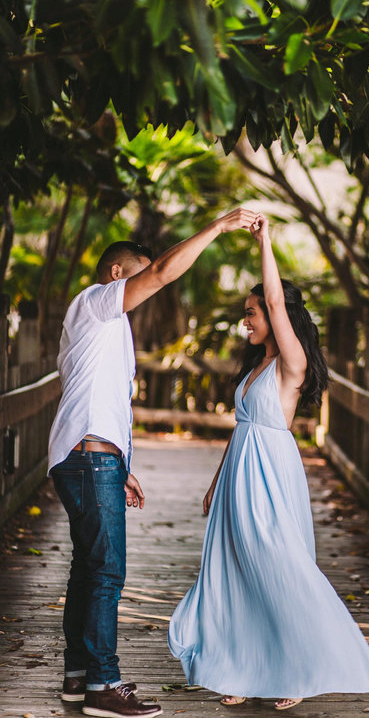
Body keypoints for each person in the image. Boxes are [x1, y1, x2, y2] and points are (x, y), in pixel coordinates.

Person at [168, 215, 369, 710]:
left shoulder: (292, 362)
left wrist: (265, 242)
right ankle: (242, 669)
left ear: (276, 313)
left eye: (254, 311)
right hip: (238, 476)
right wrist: (216, 481)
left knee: (278, 564)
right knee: (236, 569)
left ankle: (301, 669)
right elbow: (240, 428)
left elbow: (274, 299)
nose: (247, 319)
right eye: (246, 312)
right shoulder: (254, 366)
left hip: (271, 473)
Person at [48, 208, 257, 718]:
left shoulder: (104, 325)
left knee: (87, 568)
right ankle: (103, 684)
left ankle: (79, 677)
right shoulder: (97, 304)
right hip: (88, 459)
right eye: (140, 276)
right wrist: (218, 226)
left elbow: (102, 400)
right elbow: (163, 271)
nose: (151, 286)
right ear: (118, 274)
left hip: (88, 457)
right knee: (106, 572)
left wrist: (122, 465)